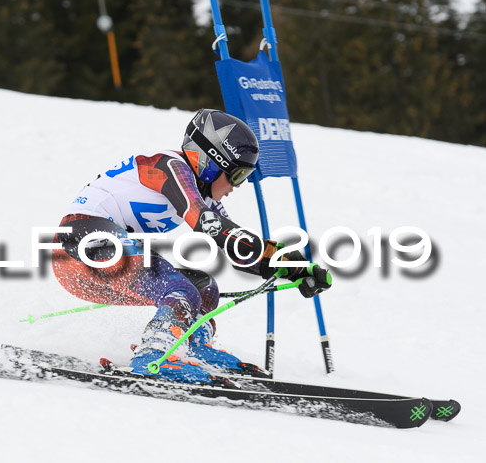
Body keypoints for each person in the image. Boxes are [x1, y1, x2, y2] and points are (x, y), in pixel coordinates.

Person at [52, 109, 331, 384]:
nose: (238, 185)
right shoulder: (170, 167)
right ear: (211, 162)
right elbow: (205, 221)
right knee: (181, 290)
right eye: (237, 175)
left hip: (98, 266)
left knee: (203, 287)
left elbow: (237, 249)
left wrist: (293, 267)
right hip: (78, 245)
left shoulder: (200, 192)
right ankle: (153, 355)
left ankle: (190, 346)